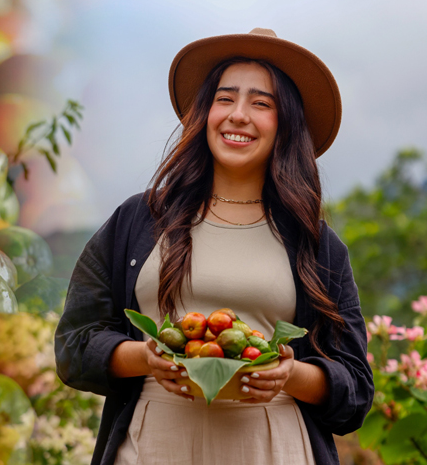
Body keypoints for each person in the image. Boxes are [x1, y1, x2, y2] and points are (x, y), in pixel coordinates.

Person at [55, 28, 374, 465]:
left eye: (261, 103)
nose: (238, 115)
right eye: (225, 98)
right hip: (153, 446)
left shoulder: (316, 246)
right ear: (205, 112)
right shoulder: (138, 219)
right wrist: (146, 358)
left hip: (272, 448)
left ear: (286, 124)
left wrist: (291, 374)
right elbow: (74, 344)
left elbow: (356, 388)